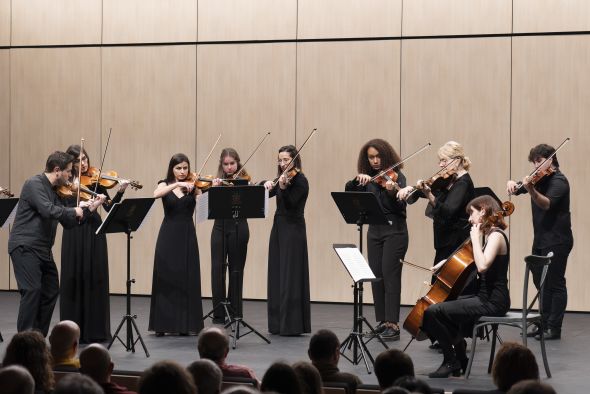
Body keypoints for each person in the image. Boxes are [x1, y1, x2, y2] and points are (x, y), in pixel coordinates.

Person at [7, 151, 102, 336]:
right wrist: (74, 209)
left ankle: (38, 338)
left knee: (50, 291)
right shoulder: (34, 184)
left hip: (43, 249)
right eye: (68, 172)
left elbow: (68, 222)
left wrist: (89, 209)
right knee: (32, 290)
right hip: (25, 246)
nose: (70, 177)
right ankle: (24, 340)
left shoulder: (57, 191)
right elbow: (47, 210)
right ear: (57, 170)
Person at [422, 195, 510, 378]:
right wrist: (446, 262)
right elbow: (470, 258)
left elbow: (482, 265)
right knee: (438, 309)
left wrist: (476, 240)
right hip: (484, 297)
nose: (469, 219)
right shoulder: (489, 235)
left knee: (432, 312)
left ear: (483, 211)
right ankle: (460, 358)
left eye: (472, 213)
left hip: (493, 301)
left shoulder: (496, 236)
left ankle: (451, 360)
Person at [60, 144, 128, 343]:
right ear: (70, 163)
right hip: (73, 233)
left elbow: (109, 209)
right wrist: (90, 204)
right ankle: (72, 331)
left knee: (95, 277)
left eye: (85, 159)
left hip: (94, 233)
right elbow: (66, 210)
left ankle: (94, 331)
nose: (83, 163)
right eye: (78, 160)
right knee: (74, 277)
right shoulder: (64, 183)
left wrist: (120, 192)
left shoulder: (96, 181)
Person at [507, 144, 573, 340]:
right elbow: (519, 188)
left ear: (550, 159)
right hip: (542, 239)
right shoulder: (539, 178)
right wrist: (513, 184)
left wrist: (531, 190)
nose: (536, 166)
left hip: (558, 240)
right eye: (534, 162)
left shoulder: (560, 181)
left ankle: (554, 327)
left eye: (539, 161)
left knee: (555, 283)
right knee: (541, 282)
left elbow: (546, 204)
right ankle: (543, 323)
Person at [345, 139, 408, 340]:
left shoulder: (398, 177)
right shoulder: (368, 179)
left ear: (386, 156)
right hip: (374, 231)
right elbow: (350, 195)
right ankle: (382, 321)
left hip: (394, 231)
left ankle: (393, 324)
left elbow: (401, 208)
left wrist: (392, 192)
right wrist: (356, 181)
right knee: (376, 277)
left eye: (378, 156)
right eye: (371, 157)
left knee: (391, 276)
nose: (375, 161)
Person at [149, 153, 204, 336]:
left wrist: (203, 193)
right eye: (178, 168)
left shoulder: (194, 186)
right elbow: (156, 194)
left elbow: (203, 210)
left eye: (185, 168)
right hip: (168, 234)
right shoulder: (165, 183)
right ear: (172, 169)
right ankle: (162, 325)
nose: (182, 172)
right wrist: (178, 184)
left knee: (187, 277)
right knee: (166, 277)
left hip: (187, 234)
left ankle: (186, 324)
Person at [263, 145, 311, 336]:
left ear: (294, 160)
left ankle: (291, 325)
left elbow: (291, 204)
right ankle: (276, 324)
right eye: (280, 160)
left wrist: (282, 187)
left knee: (290, 275)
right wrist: (266, 183)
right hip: (279, 227)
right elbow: (266, 193)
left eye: (286, 160)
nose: (283, 164)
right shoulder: (281, 178)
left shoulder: (301, 181)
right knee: (277, 272)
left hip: (293, 229)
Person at [210, 148, 251, 323]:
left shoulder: (245, 181)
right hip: (219, 227)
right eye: (225, 164)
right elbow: (207, 206)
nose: (229, 168)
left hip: (239, 227)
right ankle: (219, 312)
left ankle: (235, 311)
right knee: (217, 269)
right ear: (222, 164)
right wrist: (213, 189)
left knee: (236, 270)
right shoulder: (216, 182)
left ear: (238, 163)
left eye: (232, 164)